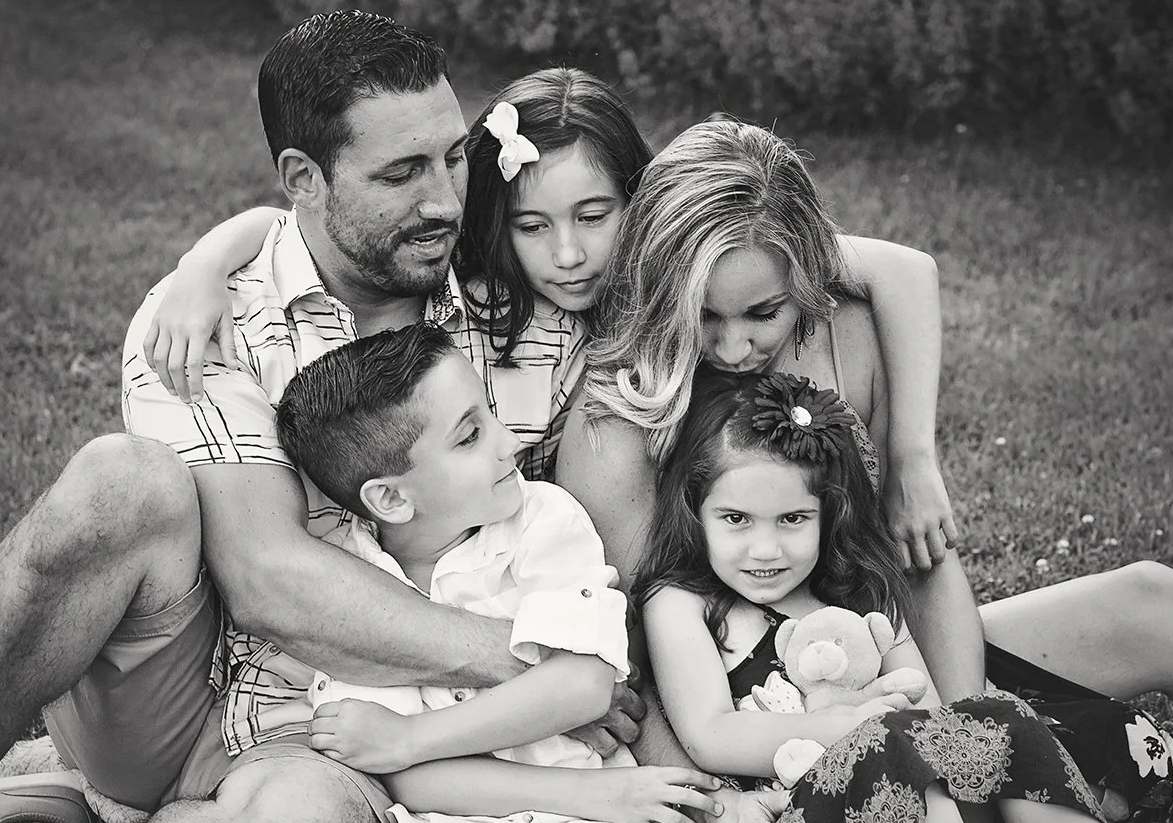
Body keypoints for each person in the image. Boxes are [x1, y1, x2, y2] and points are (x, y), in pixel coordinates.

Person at [0, 11, 733, 823]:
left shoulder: (483, 271)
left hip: (351, 719)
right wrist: (543, 660)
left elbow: (691, 229)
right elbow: (267, 577)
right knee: (122, 480)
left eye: (453, 159)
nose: (445, 199)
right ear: (302, 178)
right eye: (401, 173)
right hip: (184, 678)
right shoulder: (211, 318)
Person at [557, 116, 1173, 823]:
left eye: (763, 315)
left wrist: (962, 725)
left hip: (885, 670)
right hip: (758, 740)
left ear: (806, 280)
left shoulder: (843, 340)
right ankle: (1153, 797)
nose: (737, 347)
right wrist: (716, 810)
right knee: (1112, 764)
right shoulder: (618, 421)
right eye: (704, 318)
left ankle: (1086, 780)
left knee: (1150, 601)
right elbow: (624, 659)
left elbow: (912, 557)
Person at [144, 66, 956, 569]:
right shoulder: (483, 279)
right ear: (501, 225)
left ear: (639, 202)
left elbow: (899, 269)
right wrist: (206, 263)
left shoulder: (689, 254)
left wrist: (914, 457)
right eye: (533, 227)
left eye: (595, 215)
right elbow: (295, 226)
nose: (569, 255)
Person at [639, 368, 1173, 823]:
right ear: (696, 512)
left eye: (793, 518)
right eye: (735, 519)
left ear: (830, 514)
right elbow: (711, 735)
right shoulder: (684, 604)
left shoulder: (860, 593)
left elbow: (932, 716)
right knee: (887, 744)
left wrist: (895, 723)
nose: (763, 547)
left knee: (994, 715)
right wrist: (851, 726)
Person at [267, 322, 767, 823]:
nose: (510, 444)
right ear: (389, 498)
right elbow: (420, 787)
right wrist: (413, 758)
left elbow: (583, 684)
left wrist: (408, 737)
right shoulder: (356, 586)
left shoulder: (543, 521)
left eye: (491, 417)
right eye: (470, 436)